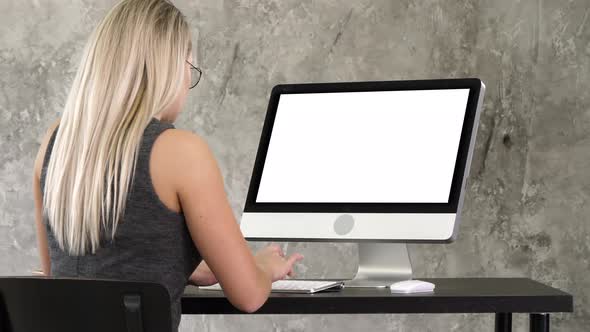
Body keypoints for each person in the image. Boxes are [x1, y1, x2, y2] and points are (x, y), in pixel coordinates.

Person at [31, 0, 303, 330]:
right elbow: (249, 296)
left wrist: (187, 267)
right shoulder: (179, 150)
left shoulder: (54, 143)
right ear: (171, 68)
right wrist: (263, 270)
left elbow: (68, 274)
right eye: (190, 70)